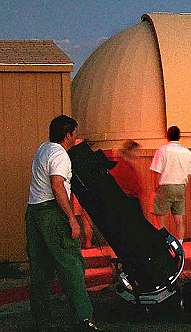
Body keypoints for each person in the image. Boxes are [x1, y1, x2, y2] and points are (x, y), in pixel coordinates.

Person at [25, 115, 100, 331]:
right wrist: (71, 219)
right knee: (71, 263)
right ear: (68, 134)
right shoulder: (60, 156)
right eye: (75, 133)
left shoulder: (43, 149)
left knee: (40, 268)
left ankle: (41, 319)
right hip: (52, 212)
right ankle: (84, 317)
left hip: (34, 211)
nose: (76, 137)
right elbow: (57, 185)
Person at [150, 126, 191, 242]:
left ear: (167, 136)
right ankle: (180, 244)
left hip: (165, 185)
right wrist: (183, 184)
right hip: (180, 186)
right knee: (179, 219)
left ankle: (162, 243)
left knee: (160, 219)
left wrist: (155, 188)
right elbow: (190, 173)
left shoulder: (162, 150)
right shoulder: (186, 151)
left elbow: (156, 171)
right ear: (179, 137)